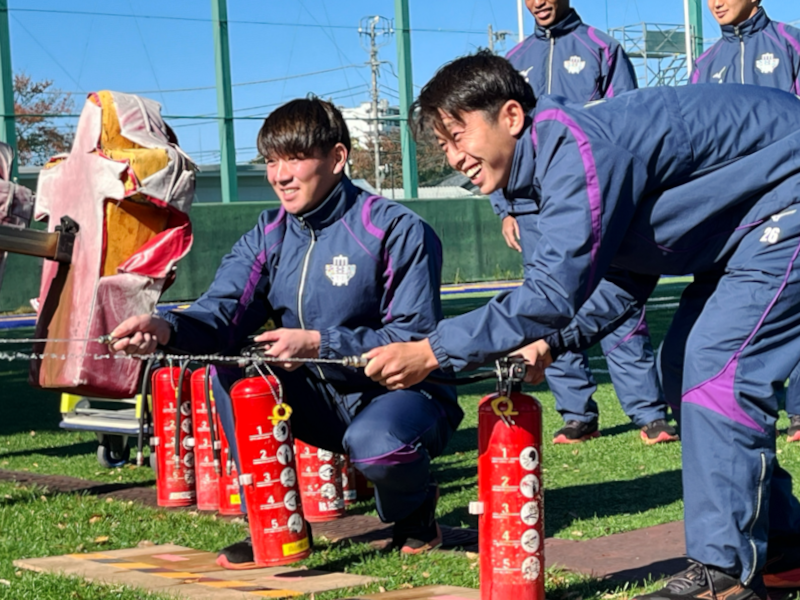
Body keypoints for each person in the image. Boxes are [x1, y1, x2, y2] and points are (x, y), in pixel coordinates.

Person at [364, 51, 800, 599]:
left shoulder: (575, 150)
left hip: (788, 201)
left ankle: (725, 573)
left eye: (458, 135)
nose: (453, 157)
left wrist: (434, 350)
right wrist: (550, 342)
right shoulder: (540, 176)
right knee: (679, 367)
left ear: (511, 117)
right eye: (443, 145)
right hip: (740, 232)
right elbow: (622, 278)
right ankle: (784, 543)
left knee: (717, 368)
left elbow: (551, 292)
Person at [110, 98, 462, 567]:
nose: (280, 175)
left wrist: (319, 343)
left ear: (337, 159)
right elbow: (223, 313)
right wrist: (165, 326)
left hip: (401, 395)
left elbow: (415, 337)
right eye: (272, 161)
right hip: (320, 396)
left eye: (295, 158)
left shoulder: (396, 229)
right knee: (235, 372)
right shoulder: (268, 233)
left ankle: (414, 513)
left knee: (376, 446)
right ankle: (276, 526)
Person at [491, 0, 675, 445]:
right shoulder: (513, 61)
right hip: (533, 208)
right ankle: (577, 414)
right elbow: (495, 137)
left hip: (595, 197)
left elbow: (630, 121)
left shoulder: (601, 49)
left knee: (617, 294)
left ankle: (648, 412)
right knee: (547, 304)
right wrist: (506, 207)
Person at [691, 0, 800, 443]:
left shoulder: (791, 43)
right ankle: (739, 408)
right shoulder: (704, 63)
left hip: (789, 200)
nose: (715, 2)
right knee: (728, 313)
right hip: (731, 211)